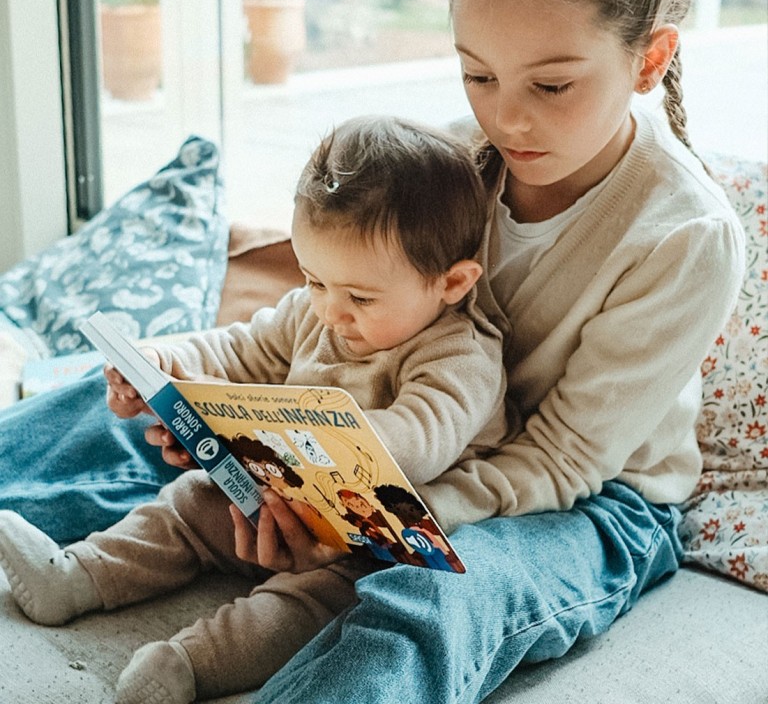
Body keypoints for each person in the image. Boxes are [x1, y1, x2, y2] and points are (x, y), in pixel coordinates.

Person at [0, 0, 747, 702]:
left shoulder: (684, 236)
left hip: (587, 499)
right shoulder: (456, 160)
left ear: (649, 60)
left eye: (552, 86)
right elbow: (309, 318)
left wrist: (358, 526)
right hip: (388, 454)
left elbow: (561, 459)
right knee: (126, 404)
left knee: (437, 594)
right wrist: (187, 380)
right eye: (477, 74)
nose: (507, 118)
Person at [0, 115, 510, 704]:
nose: (330, 312)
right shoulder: (314, 312)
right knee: (186, 504)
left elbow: (419, 439)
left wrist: (284, 436)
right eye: (315, 280)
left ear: (452, 283)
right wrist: (163, 358)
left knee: (308, 606)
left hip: (371, 545)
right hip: (275, 503)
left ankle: (186, 666)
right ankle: (77, 577)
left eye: (360, 297)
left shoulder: (461, 354)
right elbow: (239, 346)